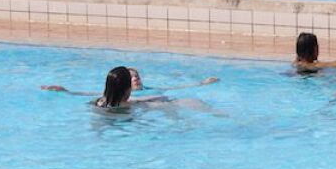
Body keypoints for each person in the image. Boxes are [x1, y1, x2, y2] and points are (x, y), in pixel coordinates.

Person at [42, 68, 216, 95]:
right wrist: (65, 91)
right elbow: (90, 94)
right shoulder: (117, 94)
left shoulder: (150, 89)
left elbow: (174, 88)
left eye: (138, 77)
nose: (137, 80)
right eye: (132, 78)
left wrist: (202, 84)